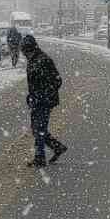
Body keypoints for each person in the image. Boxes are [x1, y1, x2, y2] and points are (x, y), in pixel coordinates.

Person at [21, 35, 67, 165]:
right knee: (36, 129)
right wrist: (31, 96)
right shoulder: (33, 59)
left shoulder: (44, 60)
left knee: (39, 129)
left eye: (25, 51)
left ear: (30, 49)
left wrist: (43, 94)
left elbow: (57, 80)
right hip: (36, 100)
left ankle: (39, 157)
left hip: (45, 101)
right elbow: (34, 83)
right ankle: (57, 147)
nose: (24, 55)